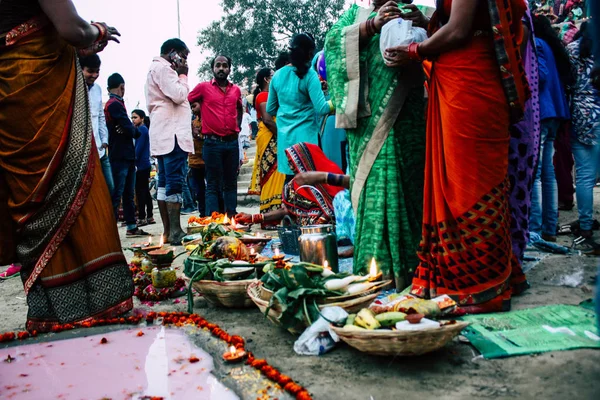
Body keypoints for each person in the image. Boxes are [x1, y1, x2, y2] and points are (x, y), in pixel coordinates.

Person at [383, 0, 530, 312]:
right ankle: (492, 275)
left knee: (465, 184)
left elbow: (460, 30)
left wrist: (413, 51)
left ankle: (478, 283)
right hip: (467, 77)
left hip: (469, 82)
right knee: (469, 180)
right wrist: (427, 20)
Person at [0, 0, 133, 332]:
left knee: (34, 203)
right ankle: (92, 301)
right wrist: (98, 31)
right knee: (73, 185)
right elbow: (71, 29)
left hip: (9, 96)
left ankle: (48, 307)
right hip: (42, 91)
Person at [325, 2, 426, 289]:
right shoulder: (353, 15)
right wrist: (372, 25)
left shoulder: (417, 11)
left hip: (408, 120)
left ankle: (412, 268)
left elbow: (451, 36)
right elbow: (332, 42)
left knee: (408, 189)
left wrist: (423, 29)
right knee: (373, 190)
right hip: (368, 124)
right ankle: (375, 272)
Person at [237, 143, 355, 251]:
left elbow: (341, 206)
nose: (291, 166)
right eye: (289, 163)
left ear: (304, 160)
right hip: (303, 236)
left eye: (293, 161)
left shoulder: (331, 175)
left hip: (331, 233)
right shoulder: (292, 185)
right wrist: (253, 218)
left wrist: (321, 222)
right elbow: (285, 210)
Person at [145, 38, 193, 244]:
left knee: (165, 183)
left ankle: (169, 231)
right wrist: (183, 75)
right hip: (172, 135)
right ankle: (174, 231)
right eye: (183, 55)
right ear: (173, 52)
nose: (184, 61)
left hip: (164, 133)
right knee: (173, 182)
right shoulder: (165, 69)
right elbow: (179, 95)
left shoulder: (155, 69)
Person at [267, 33, 334, 181]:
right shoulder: (310, 75)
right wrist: (337, 101)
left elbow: (270, 109)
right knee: (309, 185)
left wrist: (287, 109)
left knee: (290, 183)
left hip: (285, 140)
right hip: (307, 140)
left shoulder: (277, 75)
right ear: (310, 53)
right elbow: (322, 108)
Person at [530, 14, 572, 243]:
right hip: (554, 112)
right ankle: (549, 227)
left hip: (542, 112)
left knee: (537, 173)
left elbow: (541, 76)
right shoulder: (549, 45)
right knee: (548, 172)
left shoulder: (535, 44)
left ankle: (536, 228)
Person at [187, 55, 243, 217]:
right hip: (212, 143)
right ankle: (214, 222)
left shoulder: (236, 90)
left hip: (232, 143)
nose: (221, 68)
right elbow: (185, 102)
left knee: (231, 184)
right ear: (212, 69)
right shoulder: (203, 88)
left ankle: (232, 219)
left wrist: (237, 125)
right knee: (212, 184)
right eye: (218, 65)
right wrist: (191, 125)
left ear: (229, 69)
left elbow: (239, 108)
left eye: (224, 65)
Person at [507, 7, 541, 264]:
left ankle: (512, 256)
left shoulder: (519, 13)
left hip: (514, 112)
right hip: (507, 107)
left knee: (514, 183)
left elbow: (513, 51)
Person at [567, 22, 600, 250]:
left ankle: (586, 226)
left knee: (585, 177)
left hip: (581, 113)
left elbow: (566, 82)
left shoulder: (572, 50)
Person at [104, 73, 147, 237]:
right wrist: (130, 129)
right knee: (119, 194)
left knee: (127, 194)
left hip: (124, 155)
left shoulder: (114, 103)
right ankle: (111, 231)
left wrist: (128, 128)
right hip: (120, 155)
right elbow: (131, 130)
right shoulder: (115, 104)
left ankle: (130, 226)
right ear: (122, 87)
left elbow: (128, 127)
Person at [248, 68, 286, 226]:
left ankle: (274, 214)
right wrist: (283, 137)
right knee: (271, 173)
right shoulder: (263, 96)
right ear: (266, 79)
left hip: (275, 135)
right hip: (270, 135)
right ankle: (270, 216)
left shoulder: (273, 95)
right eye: (272, 76)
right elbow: (268, 120)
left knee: (278, 173)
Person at [79, 53, 114, 195]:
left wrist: (104, 140)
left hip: (99, 149)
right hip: (81, 152)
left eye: (97, 71)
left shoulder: (97, 90)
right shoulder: (73, 89)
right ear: (80, 69)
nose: (94, 75)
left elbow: (100, 116)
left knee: (109, 188)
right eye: (90, 71)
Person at [132, 109, 155, 226]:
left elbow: (138, 149)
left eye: (135, 117)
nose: (133, 120)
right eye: (132, 118)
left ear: (141, 118)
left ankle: (142, 217)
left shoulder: (142, 130)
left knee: (141, 192)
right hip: (144, 164)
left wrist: (133, 159)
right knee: (145, 191)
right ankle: (150, 215)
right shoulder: (143, 129)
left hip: (141, 165)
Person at [188, 103, 206, 216]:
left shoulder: (208, 120)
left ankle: (213, 212)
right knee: (199, 190)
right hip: (194, 161)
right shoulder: (192, 122)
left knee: (212, 188)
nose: (192, 109)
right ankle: (203, 213)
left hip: (208, 159)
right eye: (191, 107)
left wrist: (198, 135)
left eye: (194, 106)